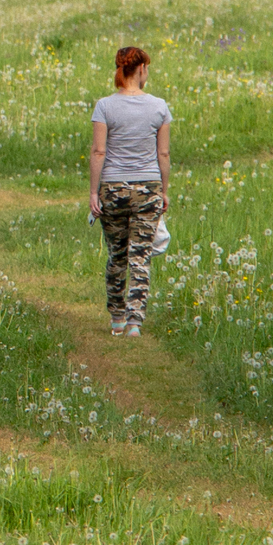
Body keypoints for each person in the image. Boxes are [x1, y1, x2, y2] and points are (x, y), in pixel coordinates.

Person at [88, 43, 171, 336]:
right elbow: (163, 154)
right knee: (141, 256)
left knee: (117, 255)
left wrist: (94, 193)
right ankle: (135, 323)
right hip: (148, 188)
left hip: (113, 189)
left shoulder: (105, 106)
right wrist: (164, 190)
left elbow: (99, 152)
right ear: (143, 69)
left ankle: (117, 319)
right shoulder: (159, 106)